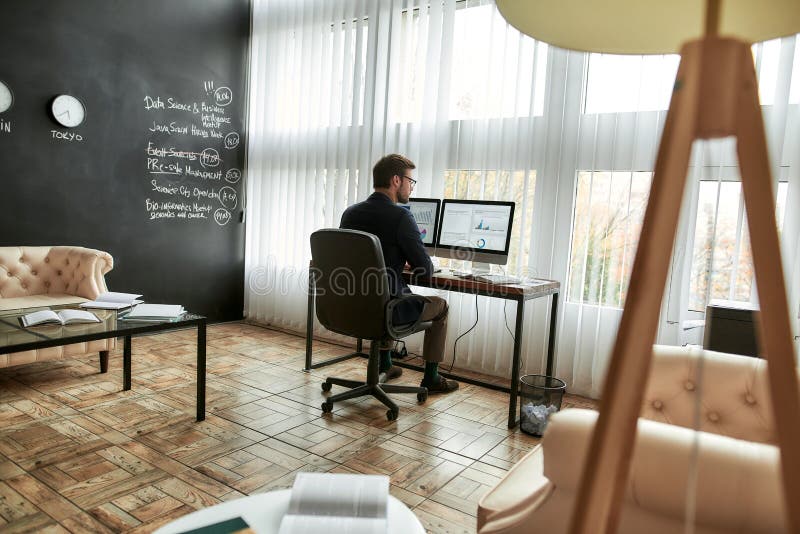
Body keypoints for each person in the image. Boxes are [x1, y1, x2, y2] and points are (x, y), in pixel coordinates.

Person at [340, 154, 458, 393]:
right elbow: (424, 270)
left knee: (384, 295)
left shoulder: (350, 213)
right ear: (396, 180)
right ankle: (432, 378)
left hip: (350, 306)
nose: (411, 187)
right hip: (386, 310)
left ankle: (386, 364)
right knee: (441, 306)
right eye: (410, 181)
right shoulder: (402, 216)